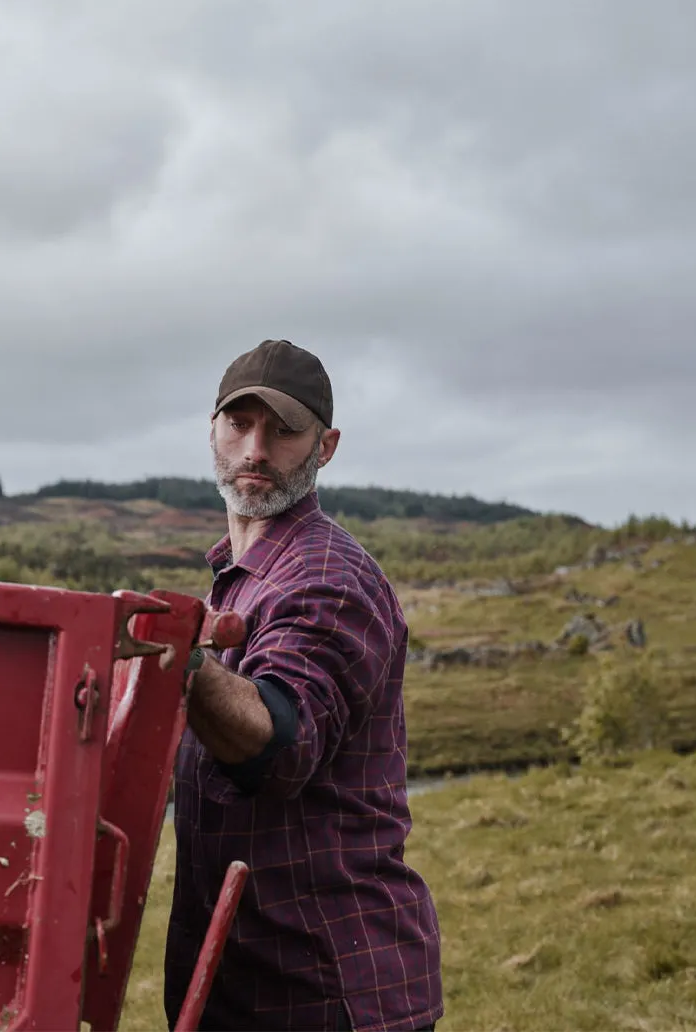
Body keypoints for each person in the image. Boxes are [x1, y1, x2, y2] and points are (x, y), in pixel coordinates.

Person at [163, 339, 443, 1032]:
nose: (256, 449)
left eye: (284, 430)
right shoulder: (242, 574)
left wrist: (178, 662)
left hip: (327, 992)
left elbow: (277, 743)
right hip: (252, 985)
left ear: (326, 446)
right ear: (212, 430)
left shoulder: (325, 577)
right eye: (239, 423)